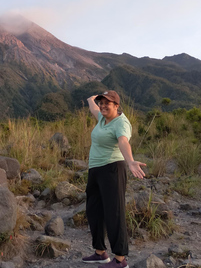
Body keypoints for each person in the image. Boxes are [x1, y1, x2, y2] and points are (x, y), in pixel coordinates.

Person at [81, 90, 146, 268]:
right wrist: (92, 98)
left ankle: (120, 259)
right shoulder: (103, 118)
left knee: (114, 213)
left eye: (107, 103)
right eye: (101, 103)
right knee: (94, 210)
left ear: (116, 106)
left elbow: (123, 141)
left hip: (112, 170)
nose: (102, 106)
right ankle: (100, 253)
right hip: (95, 170)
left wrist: (130, 161)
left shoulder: (121, 123)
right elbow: (93, 108)